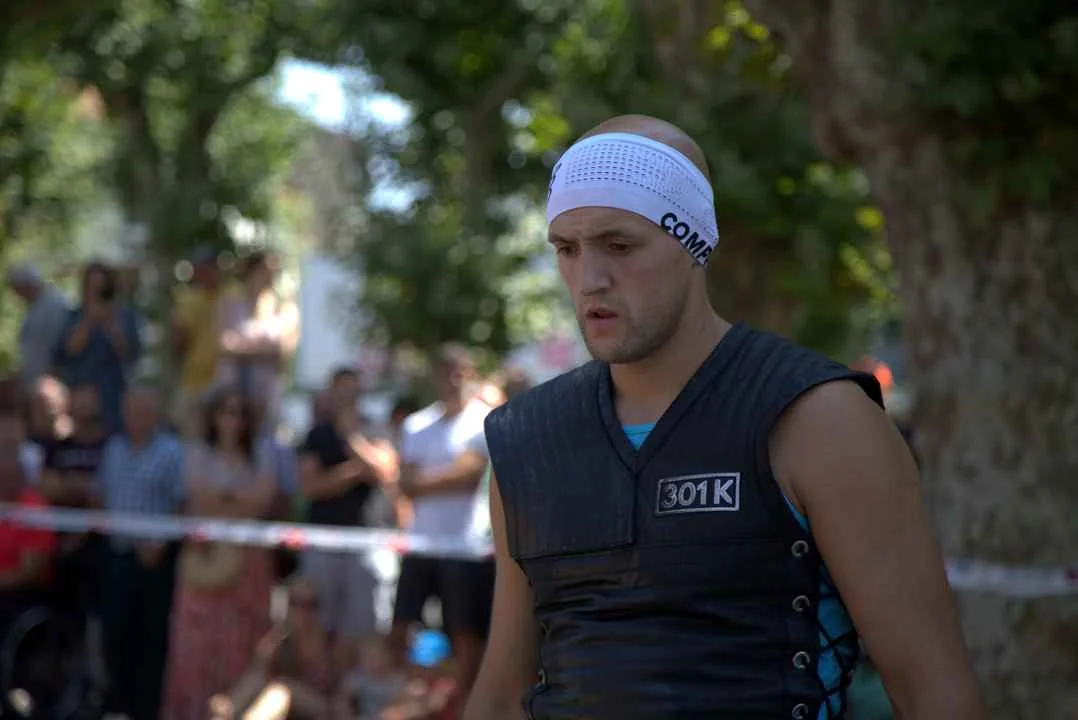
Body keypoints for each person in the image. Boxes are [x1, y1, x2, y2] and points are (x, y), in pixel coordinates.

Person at [465, 116, 984, 720]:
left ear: (694, 241)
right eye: (567, 249)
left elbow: (934, 691)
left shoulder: (819, 420)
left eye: (620, 245)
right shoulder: (528, 440)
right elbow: (501, 696)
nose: (590, 280)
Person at [163, 388, 277, 719]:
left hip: (248, 565)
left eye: (239, 412)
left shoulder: (260, 456)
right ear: (214, 417)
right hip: (205, 559)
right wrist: (235, 501)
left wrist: (222, 501)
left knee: (242, 642)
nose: (233, 420)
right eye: (226, 411)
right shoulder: (198, 454)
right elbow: (202, 496)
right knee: (196, 643)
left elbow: (261, 499)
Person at [392, 344, 494, 715]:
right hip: (421, 544)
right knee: (403, 627)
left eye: (461, 371)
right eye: (447, 371)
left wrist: (422, 480)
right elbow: (405, 483)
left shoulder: (484, 420)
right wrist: (444, 476)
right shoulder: (416, 424)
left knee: (465, 633)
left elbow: (469, 476)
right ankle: (411, 700)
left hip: (466, 547)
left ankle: (465, 704)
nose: (454, 379)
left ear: (471, 375)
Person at [296, 367, 398, 675]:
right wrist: (356, 471)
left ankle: (354, 692)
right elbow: (311, 487)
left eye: (351, 389)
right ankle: (321, 688)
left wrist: (351, 439)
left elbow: (385, 471)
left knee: (365, 632)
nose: (345, 395)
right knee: (318, 625)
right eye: (340, 389)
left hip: (369, 542)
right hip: (323, 543)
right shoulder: (317, 434)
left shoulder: (377, 428)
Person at [97, 386, 184, 720]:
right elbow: (102, 495)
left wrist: (161, 543)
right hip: (117, 557)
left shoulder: (172, 452)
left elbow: (181, 503)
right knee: (114, 632)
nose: (138, 418)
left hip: (154, 561)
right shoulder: (113, 449)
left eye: (145, 411)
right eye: (133, 411)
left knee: (151, 637)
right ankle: (117, 705)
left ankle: (147, 709)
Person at [55, 261, 142, 433]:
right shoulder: (73, 316)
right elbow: (70, 351)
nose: (96, 292)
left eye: (101, 287)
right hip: (81, 393)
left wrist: (109, 323)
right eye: (91, 287)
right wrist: (88, 320)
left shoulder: (125, 316)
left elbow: (129, 353)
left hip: (113, 394)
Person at [171, 245, 225, 438]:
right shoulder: (187, 300)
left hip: (223, 380)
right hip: (194, 381)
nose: (206, 273)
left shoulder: (230, 296)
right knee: (191, 436)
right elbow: (178, 343)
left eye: (210, 267)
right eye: (202, 268)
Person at [7, 264, 70, 391]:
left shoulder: (55, 305)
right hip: (33, 382)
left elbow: (59, 345)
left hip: (49, 383)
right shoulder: (33, 308)